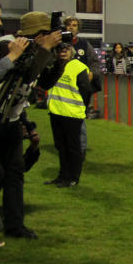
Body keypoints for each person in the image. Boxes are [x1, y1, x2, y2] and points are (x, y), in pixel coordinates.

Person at [0, 11, 62, 239]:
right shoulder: (7, 47)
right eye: (46, 35)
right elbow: (26, 73)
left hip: (10, 120)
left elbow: (43, 82)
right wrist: (45, 49)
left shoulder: (33, 50)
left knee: (14, 174)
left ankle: (15, 225)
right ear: (38, 34)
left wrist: (59, 59)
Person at [40, 42, 91, 187]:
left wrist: (81, 109)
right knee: (61, 147)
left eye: (66, 49)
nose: (62, 52)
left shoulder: (78, 67)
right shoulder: (54, 65)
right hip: (56, 111)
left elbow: (86, 91)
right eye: (60, 49)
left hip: (72, 113)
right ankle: (63, 176)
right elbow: (45, 83)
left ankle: (73, 178)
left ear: (72, 51)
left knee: (73, 148)